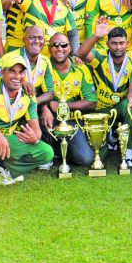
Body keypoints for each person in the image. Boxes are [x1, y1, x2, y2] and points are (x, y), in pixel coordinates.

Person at [0, 53, 55, 186]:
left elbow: (36, 129)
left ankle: (3, 167)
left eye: (21, 72)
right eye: (12, 71)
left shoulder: (29, 95)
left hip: (7, 140)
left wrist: (34, 137)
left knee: (46, 152)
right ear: (2, 73)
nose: (17, 76)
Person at [78, 22, 132, 165]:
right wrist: (96, 36)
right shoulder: (100, 57)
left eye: (121, 43)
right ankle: (108, 137)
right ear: (107, 44)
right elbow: (81, 54)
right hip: (99, 110)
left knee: (129, 106)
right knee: (98, 156)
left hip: (119, 106)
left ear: (127, 44)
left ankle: (128, 152)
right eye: (114, 43)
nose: (118, 47)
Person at [39, 31, 96, 168]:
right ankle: (47, 152)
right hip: (50, 118)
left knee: (85, 159)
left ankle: (60, 150)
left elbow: (91, 102)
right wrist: (45, 108)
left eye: (64, 45)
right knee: (37, 116)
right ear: (49, 48)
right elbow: (34, 95)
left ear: (69, 48)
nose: (60, 49)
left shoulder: (81, 68)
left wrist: (61, 106)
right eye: (55, 45)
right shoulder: (42, 66)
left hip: (72, 121)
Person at [6, 0, 76, 54]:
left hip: (56, 59)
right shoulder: (29, 0)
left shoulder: (64, 6)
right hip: (33, 58)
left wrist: (75, 55)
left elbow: (73, 34)